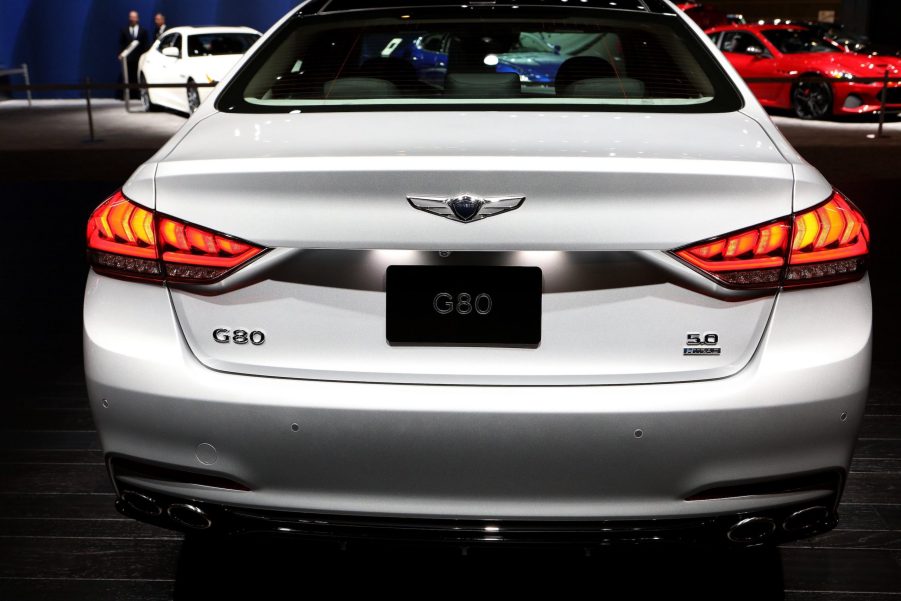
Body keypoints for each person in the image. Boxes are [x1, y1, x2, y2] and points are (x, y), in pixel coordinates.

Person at [117, 10, 149, 99]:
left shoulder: (143, 31)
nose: (132, 19)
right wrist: (120, 54)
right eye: (131, 17)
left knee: (138, 76)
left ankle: (138, 95)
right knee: (128, 77)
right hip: (127, 59)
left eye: (134, 17)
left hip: (139, 58)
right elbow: (121, 44)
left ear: (137, 18)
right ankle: (128, 95)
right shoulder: (124, 30)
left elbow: (145, 45)